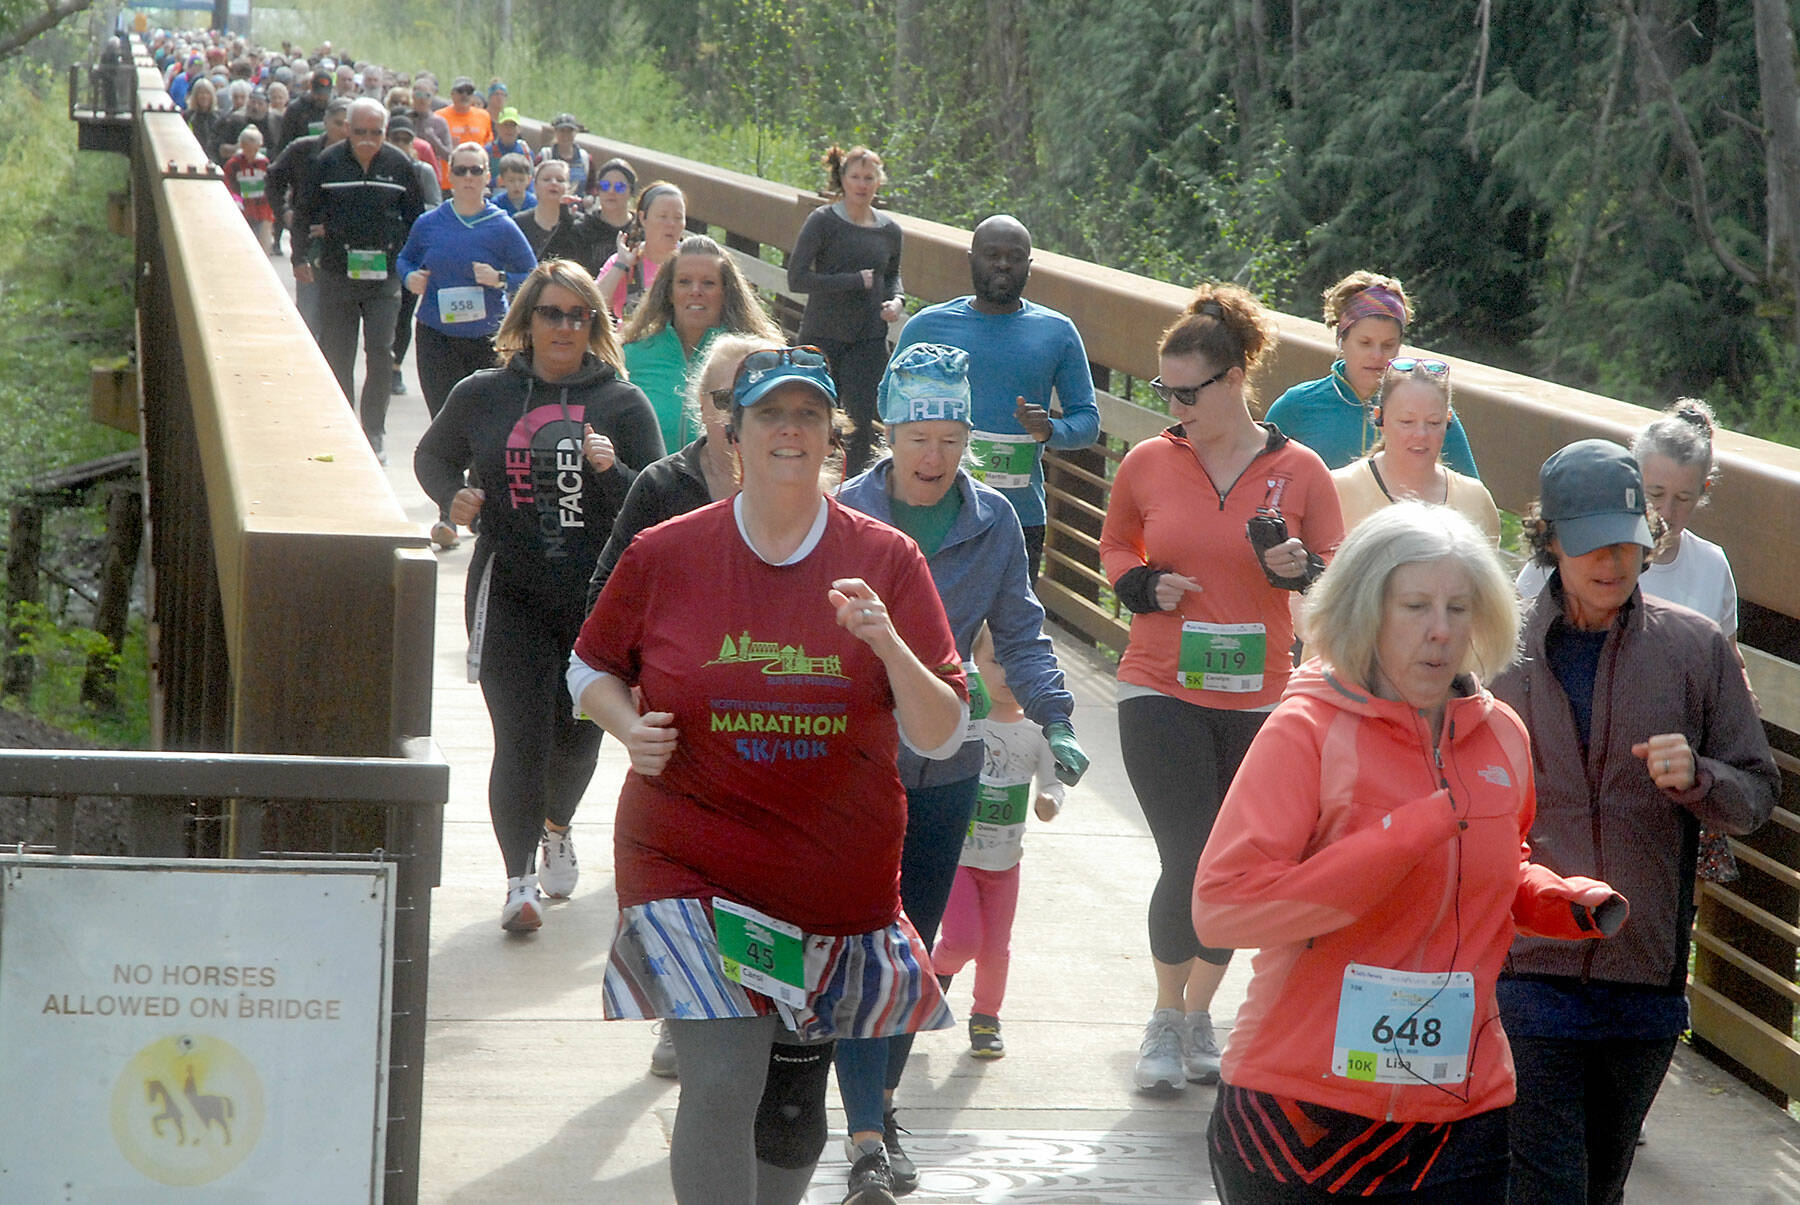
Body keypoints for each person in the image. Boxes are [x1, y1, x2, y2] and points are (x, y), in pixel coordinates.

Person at [566, 345, 966, 1205]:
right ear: (732, 433)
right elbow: (587, 663)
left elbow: (940, 732)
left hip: (829, 875)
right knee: (719, 1075)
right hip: (687, 859)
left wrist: (887, 643)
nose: (791, 429)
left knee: (790, 1089)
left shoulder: (887, 560)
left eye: (809, 415)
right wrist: (629, 726)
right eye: (770, 414)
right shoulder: (667, 552)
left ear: (834, 437)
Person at [1195, 502, 1632, 1204]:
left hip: (1461, 1110)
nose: (1440, 630)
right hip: (1304, 1110)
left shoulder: (1503, 737)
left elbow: (1490, 867)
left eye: (1459, 608)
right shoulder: (1306, 728)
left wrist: (1557, 898)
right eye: (1416, 605)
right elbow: (1223, 909)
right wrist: (1402, 835)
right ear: (1367, 610)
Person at [1492, 439, 1777, 1205]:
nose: (1611, 562)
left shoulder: (1695, 648)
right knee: (1546, 1186)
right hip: (1523, 973)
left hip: (1642, 985)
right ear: (1548, 539)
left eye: (1626, 542)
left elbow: (1756, 794)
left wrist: (1702, 777)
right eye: (1590, 544)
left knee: (1599, 1186)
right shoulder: (1496, 649)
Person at [834, 343, 1087, 1198]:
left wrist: (1056, 717)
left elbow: (1020, 631)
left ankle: (885, 1108)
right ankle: (864, 1135)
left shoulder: (996, 523)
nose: (932, 457)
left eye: (948, 439)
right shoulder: (845, 514)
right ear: (888, 432)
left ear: (968, 436)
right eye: (916, 438)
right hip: (853, 762)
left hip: (947, 763)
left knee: (911, 947)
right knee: (859, 936)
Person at [1098, 283, 1343, 1096]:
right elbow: (1115, 545)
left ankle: (1199, 1013)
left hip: (1261, 694)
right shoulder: (1148, 460)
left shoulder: (1300, 470)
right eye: (1164, 388)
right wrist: (1140, 585)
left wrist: (1299, 567)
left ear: (1236, 378)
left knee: (1236, 866)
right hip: (1158, 684)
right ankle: (1164, 1016)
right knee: (1189, 853)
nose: (1173, 404)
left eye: (1187, 390)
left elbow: (1339, 575)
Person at [415, 260, 664, 932]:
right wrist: (453, 497)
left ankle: (558, 825)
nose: (562, 326)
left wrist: (615, 470)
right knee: (519, 738)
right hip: (511, 592)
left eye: (577, 315)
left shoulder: (622, 402)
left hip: (596, 601)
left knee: (577, 740)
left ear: (594, 324)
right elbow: (433, 455)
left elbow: (656, 502)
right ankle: (518, 880)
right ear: (525, 321)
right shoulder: (482, 393)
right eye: (550, 313)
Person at [891, 214, 1099, 580]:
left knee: (1010, 634)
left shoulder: (1057, 331)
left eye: (1015, 256)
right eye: (991, 254)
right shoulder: (927, 326)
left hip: (1018, 517)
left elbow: (1087, 422)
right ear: (971, 258)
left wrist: (1049, 430)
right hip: (935, 509)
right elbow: (887, 404)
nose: (1003, 263)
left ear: (1029, 266)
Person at [931, 623, 1066, 1059]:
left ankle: (986, 1017)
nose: (1008, 674)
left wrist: (1049, 800)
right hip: (958, 857)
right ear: (975, 663)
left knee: (995, 948)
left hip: (1006, 863)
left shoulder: (1037, 730)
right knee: (964, 941)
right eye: (995, 661)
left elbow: (1054, 783)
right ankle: (932, 974)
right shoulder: (966, 719)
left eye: (1016, 662)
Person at [397, 142, 537, 545]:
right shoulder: (430, 222)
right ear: (450, 177)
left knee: (486, 424)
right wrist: (410, 279)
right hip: (437, 335)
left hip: (487, 338)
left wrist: (498, 280)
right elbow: (405, 259)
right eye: (462, 171)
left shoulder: (502, 225)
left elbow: (530, 274)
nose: (470, 178)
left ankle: (479, 509)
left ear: (487, 177)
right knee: (445, 421)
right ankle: (447, 516)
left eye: (477, 170)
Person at [292, 98, 428, 461]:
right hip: (337, 272)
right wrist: (299, 257)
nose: (369, 140)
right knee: (338, 353)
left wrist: (409, 261)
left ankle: (374, 431)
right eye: (361, 132)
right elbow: (303, 211)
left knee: (381, 353)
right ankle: (342, 428)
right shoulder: (327, 163)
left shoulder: (400, 165)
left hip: (384, 276)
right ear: (347, 130)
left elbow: (417, 219)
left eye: (376, 133)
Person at [1265, 272, 1479, 476]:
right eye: (1365, 343)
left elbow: (1471, 494)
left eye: (1388, 345)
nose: (1377, 356)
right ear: (1342, 339)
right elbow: (1257, 478)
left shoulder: (1430, 410)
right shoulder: (1297, 405)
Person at [787, 145, 906, 475]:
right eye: (855, 176)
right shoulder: (823, 221)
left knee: (860, 425)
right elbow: (797, 279)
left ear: (879, 182)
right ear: (843, 178)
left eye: (869, 178)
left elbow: (893, 274)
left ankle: (853, 496)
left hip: (868, 339)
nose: (862, 184)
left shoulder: (889, 230)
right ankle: (806, 482)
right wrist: (852, 281)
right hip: (822, 336)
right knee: (811, 415)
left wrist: (897, 301)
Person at [618, 234, 783, 450]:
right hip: (649, 481)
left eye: (708, 283)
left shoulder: (755, 359)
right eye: (684, 282)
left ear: (726, 293)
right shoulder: (630, 356)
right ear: (669, 292)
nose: (696, 291)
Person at [1331, 357, 1498, 541]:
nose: (1421, 434)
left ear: (1448, 420)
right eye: (1406, 422)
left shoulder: (1474, 498)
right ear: (1380, 419)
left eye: (1434, 422)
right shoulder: (1339, 489)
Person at [265, 96, 349, 326]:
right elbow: (273, 179)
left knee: (338, 321)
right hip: (308, 238)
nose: (343, 130)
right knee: (309, 314)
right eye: (338, 123)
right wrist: (283, 211)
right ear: (326, 122)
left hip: (345, 245)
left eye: (348, 125)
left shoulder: (358, 157)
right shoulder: (302, 149)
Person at [385, 116, 441, 401]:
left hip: (413, 252)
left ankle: (394, 368)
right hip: (383, 252)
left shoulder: (423, 172)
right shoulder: (381, 169)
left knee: (404, 312)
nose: (401, 145)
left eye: (406, 140)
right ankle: (381, 364)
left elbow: (435, 205)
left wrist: (408, 213)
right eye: (396, 139)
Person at [596, 180, 685, 324]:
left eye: (678, 218)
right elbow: (594, 305)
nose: (671, 224)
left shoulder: (692, 262)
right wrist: (621, 265)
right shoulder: (625, 260)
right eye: (663, 217)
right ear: (643, 218)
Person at [512, 159, 611, 275]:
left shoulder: (580, 224)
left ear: (569, 187)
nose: (553, 183)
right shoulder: (519, 223)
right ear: (535, 186)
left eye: (560, 180)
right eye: (546, 179)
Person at [221, 125, 274, 252]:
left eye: (254, 150)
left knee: (263, 247)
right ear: (242, 146)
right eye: (247, 149)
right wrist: (236, 200)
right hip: (242, 210)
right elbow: (228, 185)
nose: (251, 153)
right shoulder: (233, 164)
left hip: (262, 210)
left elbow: (271, 186)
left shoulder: (264, 163)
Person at [276, 68, 333, 154]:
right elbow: (284, 141)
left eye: (324, 95)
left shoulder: (333, 109)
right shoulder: (295, 109)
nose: (321, 97)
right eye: (318, 94)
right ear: (310, 87)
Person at [541, 113, 595, 197]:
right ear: (555, 132)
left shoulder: (585, 158)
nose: (565, 135)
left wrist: (590, 198)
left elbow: (592, 187)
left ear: (576, 132)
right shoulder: (545, 156)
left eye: (569, 131)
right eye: (562, 130)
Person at [441, 76, 494, 160]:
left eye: (469, 92)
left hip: (477, 170)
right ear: (452, 94)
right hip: (450, 171)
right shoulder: (440, 116)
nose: (464, 95)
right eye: (460, 91)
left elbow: (489, 144)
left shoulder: (484, 116)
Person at [183, 78, 226, 164]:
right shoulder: (188, 116)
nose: (204, 96)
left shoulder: (220, 116)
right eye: (200, 93)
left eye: (207, 93)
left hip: (215, 159)